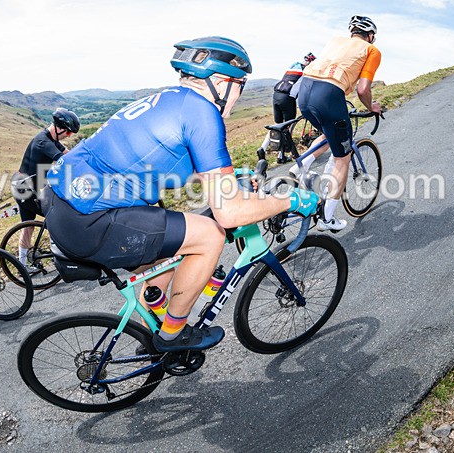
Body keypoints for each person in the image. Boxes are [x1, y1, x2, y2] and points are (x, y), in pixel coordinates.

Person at [44, 36, 319, 353]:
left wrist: (234, 177)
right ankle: (173, 335)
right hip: (90, 218)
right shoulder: (203, 113)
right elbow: (229, 213)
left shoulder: (170, 99)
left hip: (62, 201)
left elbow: (170, 163)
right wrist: (293, 200)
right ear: (220, 81)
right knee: (210, 236)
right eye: (240, 84)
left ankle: (155, 310)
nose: (240, 93)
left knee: (174, 239)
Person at [292, 15, 383, 232]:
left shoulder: (335, 41)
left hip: (305, 91)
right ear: (370, 36)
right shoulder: (372, 50)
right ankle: (327, 218)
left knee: (327, 131)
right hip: (329, 94)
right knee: (343, 159)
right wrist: (372, 107)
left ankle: (299, 167)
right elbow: (363, 89)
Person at [11, 108, 80, 269]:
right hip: (24, 189)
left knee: (28, 226)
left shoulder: (51, 137)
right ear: (59, 127)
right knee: (54, 219)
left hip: (25, 186)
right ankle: (61, 257)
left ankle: (22, 265)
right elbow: (65, 162)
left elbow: (69, 154)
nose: (68, 136)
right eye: (68, 133)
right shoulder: (44, 142)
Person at [270, 52, 316, 162]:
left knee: (278, 126)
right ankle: (292, 154)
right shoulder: (306, 73)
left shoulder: (293, 67)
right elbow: (305, 91)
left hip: (276, 95)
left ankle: (264, 148)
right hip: (287, 98)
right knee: (288, 126)